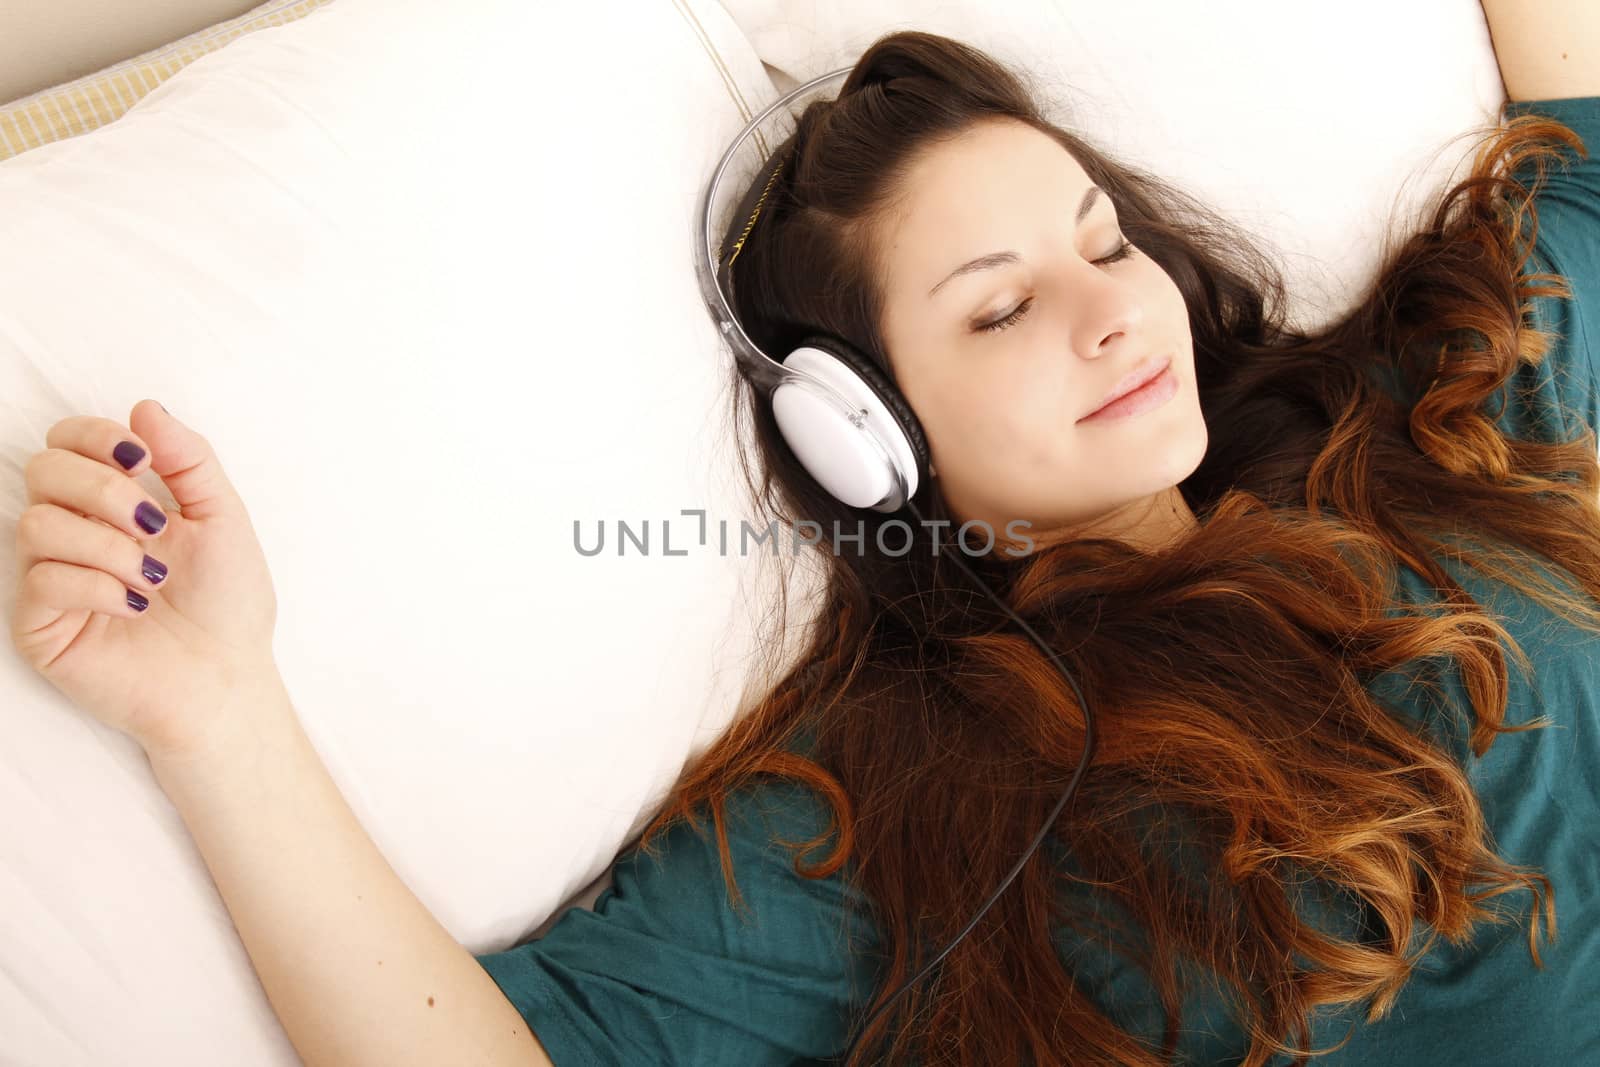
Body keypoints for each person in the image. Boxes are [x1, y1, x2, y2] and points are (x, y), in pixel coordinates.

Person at [8, 20, 1598, 1067]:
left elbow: (1579, 121)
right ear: (871, 437)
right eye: (1001, 305)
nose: (1119, 311)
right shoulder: (932, 789)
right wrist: (222, 719)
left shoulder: (1421, 416)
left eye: (1104, 242)